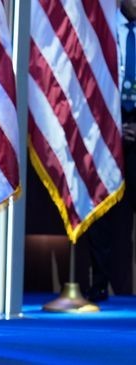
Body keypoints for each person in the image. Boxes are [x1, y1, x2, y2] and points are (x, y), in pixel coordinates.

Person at [85, 0, 136, 302]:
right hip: (105, 128)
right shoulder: (101, 31)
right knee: (100, 209)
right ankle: (99, 282)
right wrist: (111, 126)